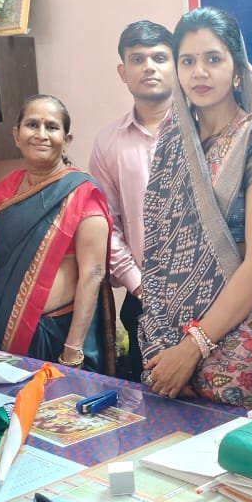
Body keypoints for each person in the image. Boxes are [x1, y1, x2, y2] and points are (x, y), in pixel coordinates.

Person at [139, 8, 252, 406]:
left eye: (213, 59)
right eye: (187, 61)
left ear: (237, 70)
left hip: (239, 337)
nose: (199, 72)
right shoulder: (171, 146)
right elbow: (158, 253)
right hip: (170, 340)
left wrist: (193, 347)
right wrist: (167, 346)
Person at [0, 95, 114, 371]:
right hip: (4, 328)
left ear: (66, 139)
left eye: (52, 127)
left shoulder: (82, 194)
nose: (41, 134)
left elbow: (92, 274)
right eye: (32, 125)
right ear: (16, 135)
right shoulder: (5, 190)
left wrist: (73, 348)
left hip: (57, 332)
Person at [89, 20, 175, 380]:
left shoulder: (203, 129)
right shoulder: (108, 142)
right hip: (143, 301)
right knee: (151, 399)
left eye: (160, 58)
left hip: (212, 302)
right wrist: (138, 283)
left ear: (177, 64)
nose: (149, 67)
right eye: (138, 59)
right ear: (123, 72)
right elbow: (107, 225)